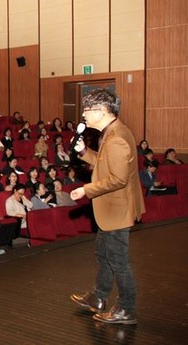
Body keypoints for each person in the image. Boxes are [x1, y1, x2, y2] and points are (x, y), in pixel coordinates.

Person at [69, 88, 145, 325]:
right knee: (104, 254)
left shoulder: (117, 138)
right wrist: (84, 152)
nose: (83, 115)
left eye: (87, 110)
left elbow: (118, 179)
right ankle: (99, 297)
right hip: (110, 210)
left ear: (101, 111)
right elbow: (104, 164)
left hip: (116, 210)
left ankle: (126, 309)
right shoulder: (112, 133)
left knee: (118, 261)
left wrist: (86, 190)